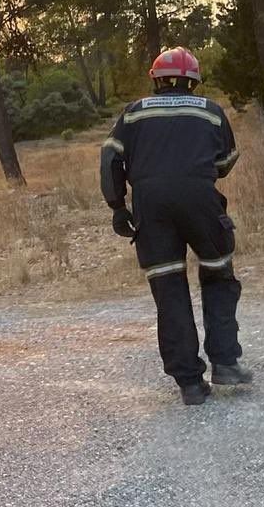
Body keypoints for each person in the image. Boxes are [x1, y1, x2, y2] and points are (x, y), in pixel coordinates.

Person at [101, 46, 250, 406]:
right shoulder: (212, 112)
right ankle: (226, 362)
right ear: (194, 81)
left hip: (151, 206)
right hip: (200, 199)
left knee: (168, 290)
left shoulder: (134, 114)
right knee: (218, 275)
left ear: (156, 79)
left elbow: (110, 159)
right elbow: (226, 161)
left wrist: (119, 207)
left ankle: (190, 384)